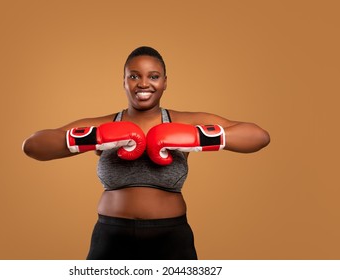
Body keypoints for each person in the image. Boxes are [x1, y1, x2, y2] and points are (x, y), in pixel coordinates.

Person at [22, 46, 270, 260]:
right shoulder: (105, 125)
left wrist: (198, 137)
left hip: (171, 237)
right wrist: (96, 137)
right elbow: (33, 146)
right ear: (123, 81)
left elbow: (259, 136)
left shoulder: (183, 122)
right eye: (134, 76)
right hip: (111, 235)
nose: (143, 84)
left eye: (153, 76)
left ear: (164, 82)